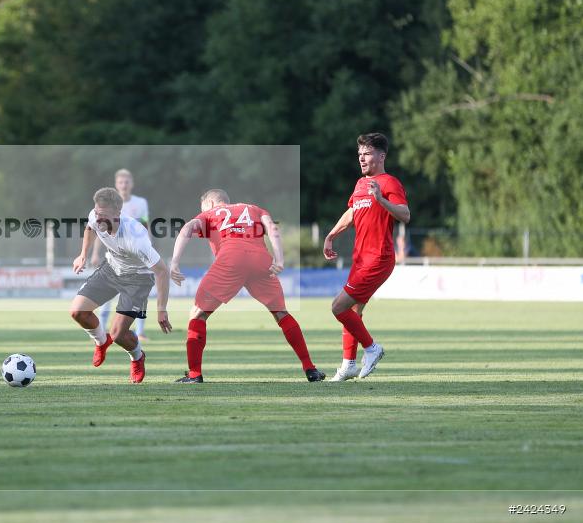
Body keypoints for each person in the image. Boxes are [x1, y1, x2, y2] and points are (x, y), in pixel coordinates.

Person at [169, 189, 325, 383]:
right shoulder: (254, 209)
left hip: (231, 259)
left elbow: (186, 229)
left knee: (197, 314)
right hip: (261, 260)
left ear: (210, 203)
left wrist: (174, 262)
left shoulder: (209, 213)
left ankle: (194, 374)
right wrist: (279, 258)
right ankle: (310, 369)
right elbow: (272, 228)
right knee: (281, 313)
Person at [323, 132, 410, 381]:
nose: (362, 158)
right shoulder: (361, 184)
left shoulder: (389, 183)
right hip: (360, 258)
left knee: (338, 307)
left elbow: (405, 215)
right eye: (360, 154)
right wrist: (331, 235)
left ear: (382, 156)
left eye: (367, 153)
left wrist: (381, 199)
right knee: (353, 311)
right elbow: (352, 212)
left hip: (378, 258)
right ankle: (349, 364)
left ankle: (372, 348)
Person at [71, 187, 172, 383]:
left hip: (137, 279)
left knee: (118, 335)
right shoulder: (95, 215)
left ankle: (138, 357)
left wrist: (162, 309)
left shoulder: (136, 238)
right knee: (78, 312)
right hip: (111, 269)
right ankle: (101, 342)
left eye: (103, 215)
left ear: (118, 213)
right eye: (97, 213)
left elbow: (162, 271)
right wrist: (83, 255)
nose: (98, 218)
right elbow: (90, 228)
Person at [91, 169, 151, 340]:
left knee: (140, 293)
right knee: (108, 294)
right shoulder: (108, 204)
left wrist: (149, 248)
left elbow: (145, 227)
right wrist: (95, 253)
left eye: (126, 182)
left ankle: (140, 332)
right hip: (114, 256)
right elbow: (100, 231)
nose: (124, 185)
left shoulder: (141, 203)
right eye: (121, 182)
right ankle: (102, 330)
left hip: (135, 256)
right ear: (116, 184)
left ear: (132, 184)